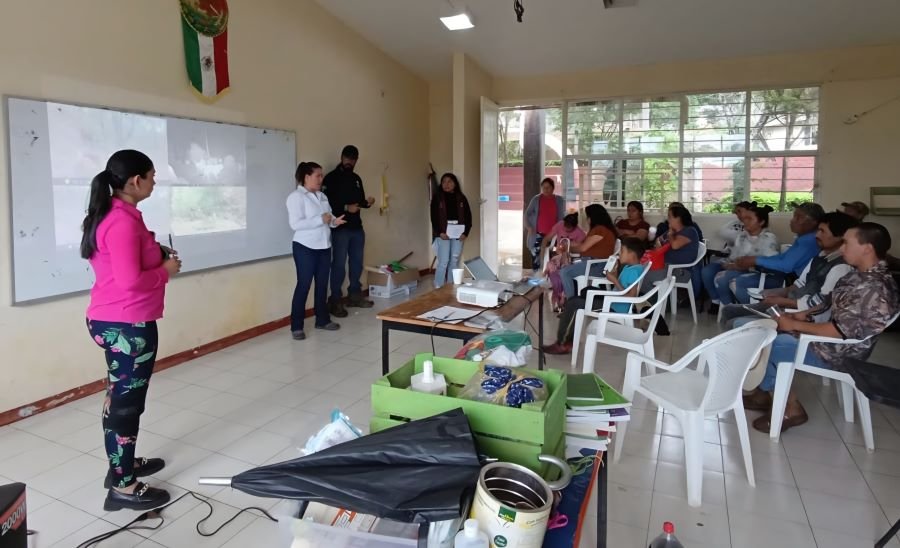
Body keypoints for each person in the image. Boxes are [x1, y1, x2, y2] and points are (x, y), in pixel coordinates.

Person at [81, 150, 181, 511]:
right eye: (152, 176)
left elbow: (126, 261)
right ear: (136, 181)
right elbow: (129, 282)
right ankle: (123, 485)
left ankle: (121, 464)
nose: (155, 181)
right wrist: (166, 271)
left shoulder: (113, 213)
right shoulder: (121, 221)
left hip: (115, 321)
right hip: (128, 324)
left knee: (119, 396)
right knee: (126, 405)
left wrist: (157, 252)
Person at [743, 223, 899, 433]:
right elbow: (828, 301)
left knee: (772, 344)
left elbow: (841, 331)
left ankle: (791, 407)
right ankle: (765, 393)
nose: (841, 248)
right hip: (830, 340)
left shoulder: (873, 287)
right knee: (762, 331)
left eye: (846, 243)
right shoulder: (858, 275)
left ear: (867, 248)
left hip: (839, 353)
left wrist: (795, 324)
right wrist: (804, 314)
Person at [721, 211, 857, 328]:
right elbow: (798, 284)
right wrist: (776, 293)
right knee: (729, 310)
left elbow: (821, 304)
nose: (817, 235)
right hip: (788, 304)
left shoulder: (840, 267)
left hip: (801, 315)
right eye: (818, 230)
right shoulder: (819, 257)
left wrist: (783, 302)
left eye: (822, 231)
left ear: (840, 236)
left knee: (735, 323)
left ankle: (747, 354)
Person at [543, 238, 647, 355]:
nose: (619, 254)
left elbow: (632, 297)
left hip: (614, 307)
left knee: (573, 303)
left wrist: (615, 281)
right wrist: (613, 276)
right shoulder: (631, 267)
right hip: (612, 299)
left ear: (632, 254)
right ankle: (571, 330)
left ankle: (562, 344)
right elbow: (625, 286)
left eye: (622, 251)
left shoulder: (634, 271)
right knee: (586, 291)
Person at [287, 162, 345, 340]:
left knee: (322, 285)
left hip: (324, 246)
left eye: (321, 175)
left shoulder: (322, 196)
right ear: (306, 177)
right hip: (305, 247)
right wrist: (321, 220)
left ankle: (322, 320)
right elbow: (295, 224)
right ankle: (297, 326)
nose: (321, 179)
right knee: (304, 285)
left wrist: (334, 222)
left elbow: (329, 217)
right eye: (317, 175)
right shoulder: (296, 197)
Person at [730, 202, 824, 303]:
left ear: (814, 222)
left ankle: (756, 311)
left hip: (797, 284)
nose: (792, 220)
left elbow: (786, 265)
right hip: (793, 281)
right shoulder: (803, 238)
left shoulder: (809, 241)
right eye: (794, 216)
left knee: (741, 282)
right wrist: (754, 260)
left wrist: (755, 260)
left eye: (799, 217)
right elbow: (783, 257)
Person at [323, 145, 375, 317]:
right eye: (347, 158)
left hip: (356, 227)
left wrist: (366, 203)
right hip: (340, 228)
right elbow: (326, 204)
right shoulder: (331, 178)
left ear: (356, 160)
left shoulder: (356, 178)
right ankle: (335, 300)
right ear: (341, 157)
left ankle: (354, 295)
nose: (349, 161)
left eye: (353, 159)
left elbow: (358, 202)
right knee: (338, 265)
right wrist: (345, 207)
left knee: (357, 263)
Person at [702, 203, 779, 313]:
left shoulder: (768, 238)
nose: (744, 221)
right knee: (711, 272)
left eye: (749, 219)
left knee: (722, 278)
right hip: (738, 266)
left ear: (761, 222)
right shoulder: (742, 236)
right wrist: (731, 264)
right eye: (745, 218)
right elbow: (735, 256)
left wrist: (735, 266)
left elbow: (766, 264)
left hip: (760, 273)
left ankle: (740, 309)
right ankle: (724, 306)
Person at [558, 204, 618, 298]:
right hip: (594, 264)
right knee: (566, 269)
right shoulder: (600, 229)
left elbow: (583, 248)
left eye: (587, 217)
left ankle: (571, 302)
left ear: (592, 217)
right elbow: (581, 244)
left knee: (564, 272)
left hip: (596, 266)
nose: (587, 219)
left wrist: (568, 247)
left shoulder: (600, 229)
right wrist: (568, 245)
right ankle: (573, 300)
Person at [642, 204, 702, 289]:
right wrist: (663, 239)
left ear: (678, 218)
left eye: (670, 217)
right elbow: (658, 242)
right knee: (639, 271)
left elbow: (674, 245)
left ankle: (654, 300)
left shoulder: (689, 230)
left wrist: (670, 235)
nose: (668, 219)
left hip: (679, 271)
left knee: (645, 277)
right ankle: (654, 299)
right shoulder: (672, 231)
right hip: (665, 266)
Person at [430, 172, 473, 288]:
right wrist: (440, 232)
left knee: (454, 261)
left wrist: (465, 233)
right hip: (443, 233)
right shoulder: (437, 198)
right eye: (444, 181)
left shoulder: (461, 198)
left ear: (455, 183)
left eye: (449, 181)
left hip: (458, 233)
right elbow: (433, 217)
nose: (446, 184)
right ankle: (438, 286)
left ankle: (450, 286)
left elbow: (468, 216)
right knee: (443, 261)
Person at [542, 213, 587, 310]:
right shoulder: (559, 225)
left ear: (575, 227)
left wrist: (568, 250)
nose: (566, 230)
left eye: (569, 229)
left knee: (564, 271)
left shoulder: (580, 234)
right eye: (565, 227)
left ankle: (563, 297)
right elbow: (547, 239)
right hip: (557, 255)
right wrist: (542, 254)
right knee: (553, 269)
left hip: (571, 258)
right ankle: (557, 295)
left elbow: (581, 250)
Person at [524, 178, 566, 267]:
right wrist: (529, 227)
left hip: (554, 234)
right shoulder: (536, 199)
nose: (546, 190)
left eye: (548, 187)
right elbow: (527, 214)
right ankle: (536, 277)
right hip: (538, 233)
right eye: (544, 188)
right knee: (536, 257)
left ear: (553, 188)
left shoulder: (559, 200)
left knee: (553, 257)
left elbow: (561, 218)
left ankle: (551, 276)